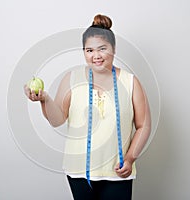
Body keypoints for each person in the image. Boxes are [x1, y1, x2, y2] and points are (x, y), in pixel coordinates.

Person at [24, 14, 151, 200]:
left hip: (119, 171)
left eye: (102, 49)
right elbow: (57, 119)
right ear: (83, 51)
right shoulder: (72, 78)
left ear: (113, 49)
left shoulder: (130, 82)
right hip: (79, 172)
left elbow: (143, 125)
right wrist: (44, 99)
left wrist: (130, 158)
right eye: (89, 50)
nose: (96, 56)